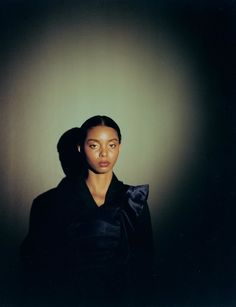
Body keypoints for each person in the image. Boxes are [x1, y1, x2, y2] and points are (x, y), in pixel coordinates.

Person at [20, 115, 154, 306]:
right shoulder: (48, 203)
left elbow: (145, 269)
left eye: (112, 145)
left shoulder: (133, 200)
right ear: (80, 147)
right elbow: (35, 271)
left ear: (119, 148)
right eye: (94, 145)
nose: (104, 154)